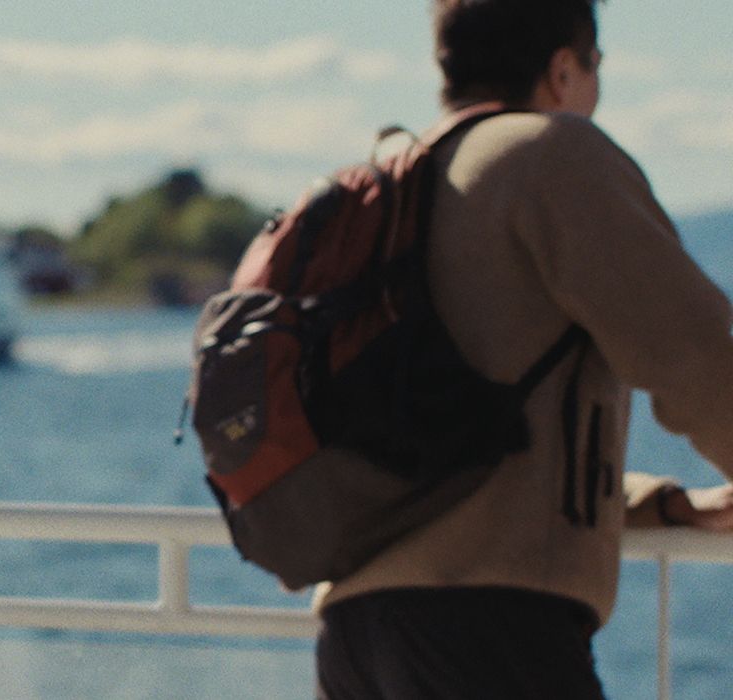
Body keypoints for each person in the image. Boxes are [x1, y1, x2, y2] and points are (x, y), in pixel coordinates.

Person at [314, 1, 733, 697]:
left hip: (354, 639)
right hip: (485, 632)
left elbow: (459, 443)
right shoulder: (551, 154)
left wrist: (661, 505)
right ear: (564, 70)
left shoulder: (398, 184)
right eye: (596, 69)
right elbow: (692, 356)